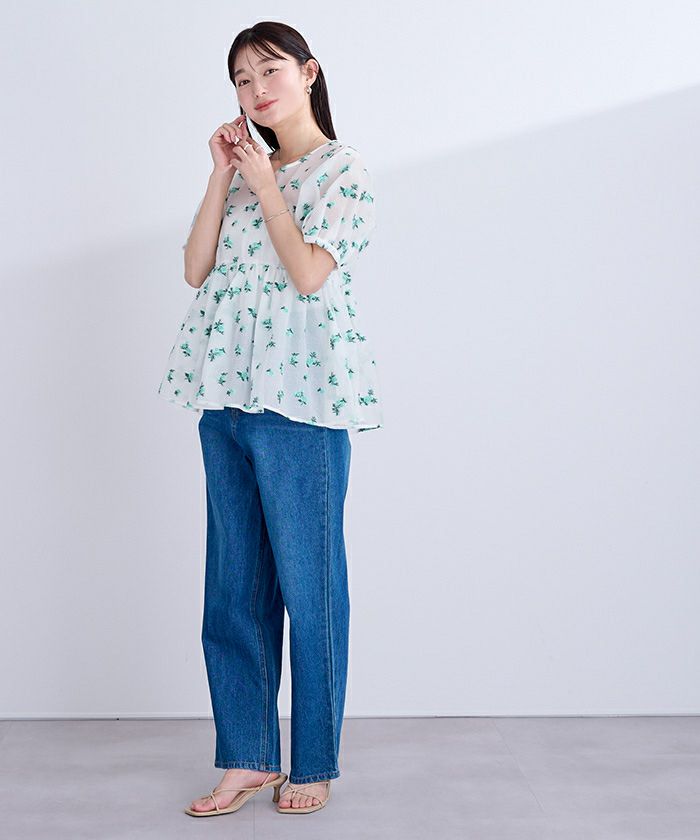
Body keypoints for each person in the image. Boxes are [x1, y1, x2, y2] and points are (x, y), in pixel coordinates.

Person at [156, 21, 383, 816]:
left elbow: (311, 274)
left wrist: (267, 185)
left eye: (270, 71)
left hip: (302, 402)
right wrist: (223, 176)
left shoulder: (343, 170)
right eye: (241, 79)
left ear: (309, 72)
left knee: (310, 589)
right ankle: (248, 756)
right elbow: (197, 268)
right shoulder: (248, 171)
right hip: (226, 395)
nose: (255, 90)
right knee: (234, 589)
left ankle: (312, 761)